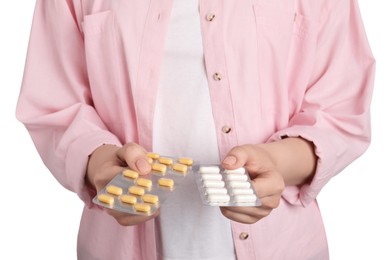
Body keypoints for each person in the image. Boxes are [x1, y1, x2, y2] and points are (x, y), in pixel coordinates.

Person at [16, 0, 375, 259]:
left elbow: (340, 107)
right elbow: (54, 102)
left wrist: (277, 161)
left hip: (285, 246)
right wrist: (101, 167)